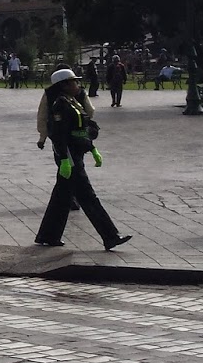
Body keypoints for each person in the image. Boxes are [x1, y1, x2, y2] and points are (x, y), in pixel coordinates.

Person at [34, 68, 131, 250]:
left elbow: (81, 128)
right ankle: (110, 236)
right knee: (87, 196)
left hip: (76, 153)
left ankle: (48, 235)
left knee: (62, 197)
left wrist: (92, 148)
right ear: (64, 85)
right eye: (74, 82)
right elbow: (59, 134)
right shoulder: (60, 105)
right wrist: (64, 159)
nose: (77, 85)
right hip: (70, 156)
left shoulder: (72, 101)